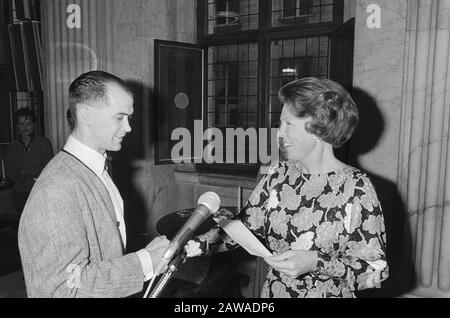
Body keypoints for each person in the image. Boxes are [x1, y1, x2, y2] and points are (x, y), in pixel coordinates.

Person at [185, 77, 389, 298]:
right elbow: (243, 231)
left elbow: (374, 269)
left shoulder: (356, 187)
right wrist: (184, 248)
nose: (279, 133)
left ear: (319, 127)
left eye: (288, 124)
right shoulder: (277, 174)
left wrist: (316, 262)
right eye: (280, 124)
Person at [18, 71, 170, 298]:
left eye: (129, 118)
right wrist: (144, 262)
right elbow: (63, 289)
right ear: (85, 114)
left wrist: (147, 255)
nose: (128, 128)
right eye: (119, 117)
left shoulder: (96, 168)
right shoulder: (56, 189)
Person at [3, 108, 53, 218]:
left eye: (28, 123)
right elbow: (9, 171)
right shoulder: (13, 146)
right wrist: (17, 175)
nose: (25, 127)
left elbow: (49, 168)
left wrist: (29, 171)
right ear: (17, 126)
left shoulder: (43, 143)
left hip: (39, 191)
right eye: (21, 124)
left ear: (34, 125)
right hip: (20, 193)